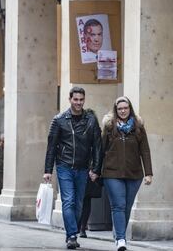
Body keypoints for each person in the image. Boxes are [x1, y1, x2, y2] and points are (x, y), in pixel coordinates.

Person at [43, 87, 102, 250]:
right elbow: (52, 147)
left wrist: (96, 168)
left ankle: (72, 231)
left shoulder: (91, 120)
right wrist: (48, 170)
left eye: (81, 100)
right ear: (70, 99)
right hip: (64, 166)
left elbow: (97, 145)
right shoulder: (59, 120)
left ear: (84, 100)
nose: (78, 102)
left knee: (79, 203)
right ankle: (71, 235)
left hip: (83, 168)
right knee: (68, 201)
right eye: (75, 99)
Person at [101, 96, 153, 251]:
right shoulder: (109, 127)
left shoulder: (138, 127)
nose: (123, 111)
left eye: (125, 108)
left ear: (130, 109)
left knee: (127, 207)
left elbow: (145, 151)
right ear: (115, 111)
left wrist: (148, 173)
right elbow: (101, 149)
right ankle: (121, 240)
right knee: (118, 205)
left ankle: (118, 232)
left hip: (134, 174)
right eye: (120, 109)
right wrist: (95, 170)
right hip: (112, 173)